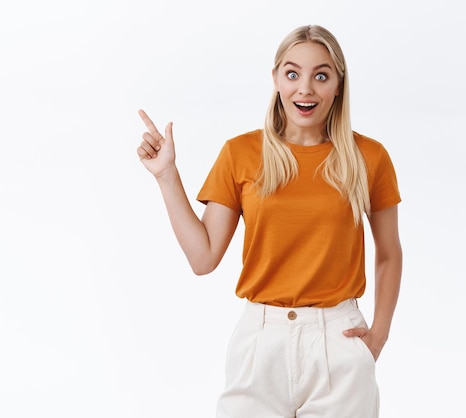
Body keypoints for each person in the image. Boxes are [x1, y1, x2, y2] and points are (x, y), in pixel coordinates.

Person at [136, 24, 402, 418]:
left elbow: (389, 253)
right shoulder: (241, 153)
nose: (305, 88)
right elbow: (203, 258)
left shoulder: (369, 157)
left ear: (338, 85)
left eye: (321, 75)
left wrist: (377, 336)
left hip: (340, 340)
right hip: (260, 342)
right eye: (292, 73)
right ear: (276, 78)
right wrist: (166, 175)